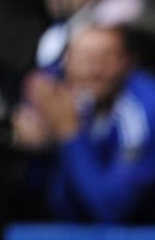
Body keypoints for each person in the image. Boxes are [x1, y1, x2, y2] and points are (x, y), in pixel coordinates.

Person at [13, 22, 155, 224]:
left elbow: (112, 210)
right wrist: (34, 154)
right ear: (66, 63)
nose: (94, 70)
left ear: (127, 62)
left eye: (106, 59)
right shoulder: (55, 92)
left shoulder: (144, 109)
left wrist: (69, 133)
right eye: (84, 59)